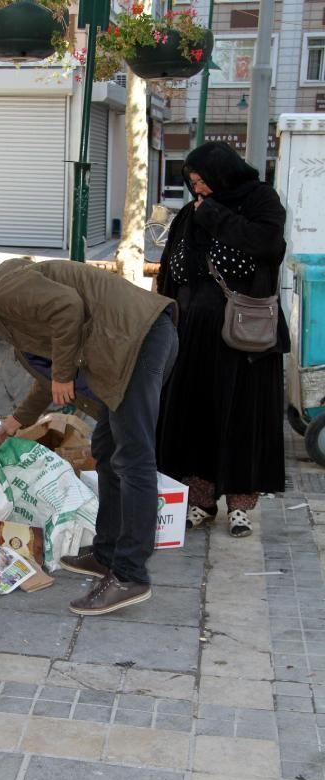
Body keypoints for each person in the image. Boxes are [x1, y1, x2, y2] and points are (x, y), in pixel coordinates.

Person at [0, 258, 178, 616]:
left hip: (136, 341)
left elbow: (68, 310)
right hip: (128, 349)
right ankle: (106, 554)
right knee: (106, 448)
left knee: (134, 460)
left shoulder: (0, 288)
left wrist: (64, 374)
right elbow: (48, 376)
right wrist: (15, 421)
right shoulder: (14, 315)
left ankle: (130, 575)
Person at [157, 141, 290, 537]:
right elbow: (171, 272)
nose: (198, 190)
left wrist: (215, 217)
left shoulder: (260, 201)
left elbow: (268, 246)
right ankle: (201, 500)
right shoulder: (189, 213)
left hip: (243, 337)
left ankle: (240, 506)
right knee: (198, 417)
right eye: (193, 182)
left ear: (222, 174)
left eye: (203, 181)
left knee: (241, 418)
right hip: (193, 337)